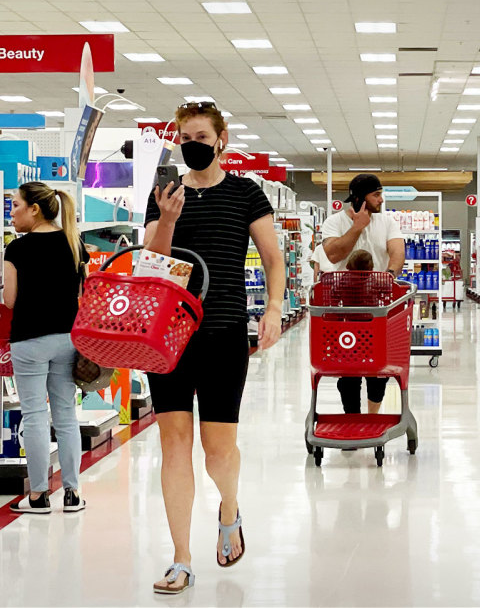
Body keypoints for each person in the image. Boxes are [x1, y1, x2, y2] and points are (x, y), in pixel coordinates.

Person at [145, 101, 287, 594]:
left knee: (217, 449)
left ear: (221, 140)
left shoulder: (246, 192)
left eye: (202, 137)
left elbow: (273, 258)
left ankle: (229, 507)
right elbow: (152, 261)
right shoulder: (165, 194)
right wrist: (167, 218)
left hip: (223, 332)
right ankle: (181, 558)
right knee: (173, 442)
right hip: (166, 334)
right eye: (185, 138)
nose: (193, 145)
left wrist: (273, 309)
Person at [3, 182, 87, 514]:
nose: (11, 213)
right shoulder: (74, 242)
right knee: (66, 415)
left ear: (34, 209)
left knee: (35, 415)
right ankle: (73, 493)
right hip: (67, 338)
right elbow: (83, 295)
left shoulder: (17, 249)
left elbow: (10, 300)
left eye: (15, 205)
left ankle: (38, 496)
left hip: (29, 340)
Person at [321, 174, 404, 414]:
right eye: (376, 195)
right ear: (359, 199)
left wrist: (389, 275)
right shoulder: (334, 222)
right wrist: (357, 227)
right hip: (343, 311)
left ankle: (372, 417)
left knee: (379, 370)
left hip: (379, 308)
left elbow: (397, 252)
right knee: (348, 371)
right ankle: (352, 418)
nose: (381, 199)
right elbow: (333, 255)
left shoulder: (387, 222)